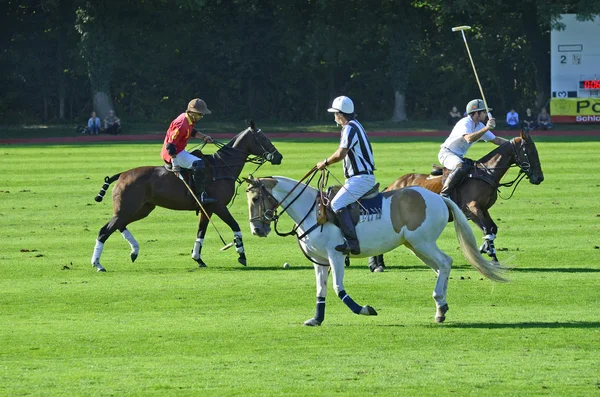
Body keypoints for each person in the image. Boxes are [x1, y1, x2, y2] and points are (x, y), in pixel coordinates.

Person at [316, 96, 376, 255]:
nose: (334, 117)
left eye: (335, 114)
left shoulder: (349, 128)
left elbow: (341, 154)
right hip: (360, 177)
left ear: (340, 114)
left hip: (361, 179)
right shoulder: (356, 125)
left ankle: (352, 243)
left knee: (336, 204)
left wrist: (325, 162)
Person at [438, 99, 508, 199]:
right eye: (484, 112)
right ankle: (444, 195)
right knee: (461, 166)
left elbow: (496, 140)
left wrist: (514, 144)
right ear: (476, 113)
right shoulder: (465, 123)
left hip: (459, 155)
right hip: (447, 153)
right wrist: (486, 128)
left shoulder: (479, 126)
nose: (486, 115)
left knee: (474, 169)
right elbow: (468, 138)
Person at [161, 98, 216, 204]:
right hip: (172, 153)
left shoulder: (189, 120)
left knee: (199, 157)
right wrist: (175, 164)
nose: (202, 116)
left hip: (179, 150)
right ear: (192, 112)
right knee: (198, 164)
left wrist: (204, 137)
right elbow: (170, 146)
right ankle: (200, 196)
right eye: (200, 114)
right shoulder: (181, 123)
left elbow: (191, 131)